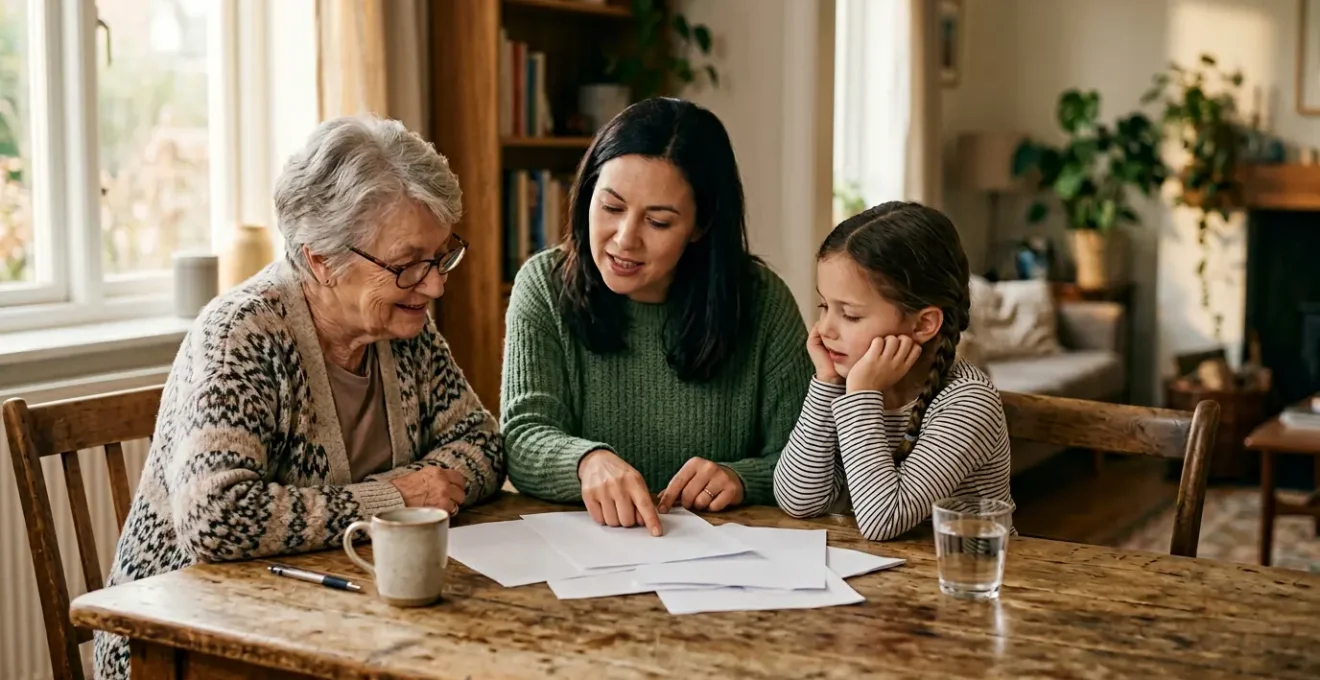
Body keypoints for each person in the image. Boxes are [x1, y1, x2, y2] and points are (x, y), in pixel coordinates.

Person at [93, 115, 505, 679]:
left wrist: (426, 483)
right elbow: (217, 517)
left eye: (440, 257)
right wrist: (394, 498)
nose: (434, 285)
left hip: (337, 619)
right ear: (321, 260)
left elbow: (482, 444)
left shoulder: (400, 325)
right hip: (186, 641)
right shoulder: (242, 333)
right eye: (409, 264)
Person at [501, 97, 812, 535]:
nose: (625, 240)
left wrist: (742, 477)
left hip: (723, 566)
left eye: (659, 222)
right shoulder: (544, 285)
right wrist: (586, 461)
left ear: (700, 226)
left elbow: (807, 457)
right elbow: (523, 435)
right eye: (611, 208)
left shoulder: (761, 302)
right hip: (584, 557)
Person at [772, 201, 1014, 541]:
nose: (825, 328)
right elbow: (798, 499)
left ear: (924, 324)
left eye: (851, 315)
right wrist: (826, 382)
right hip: (886, 580)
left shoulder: (968, 402)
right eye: (824, 306)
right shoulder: (848, 380)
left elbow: (883, 519)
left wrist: (860, 396)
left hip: (965, 579)